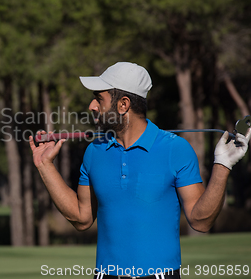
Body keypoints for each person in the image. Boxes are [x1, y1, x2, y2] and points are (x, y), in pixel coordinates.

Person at [29, 62, 251, 279]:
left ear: (123, 104)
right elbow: (81, 218)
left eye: (99, 98)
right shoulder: (94, 152)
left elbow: (201, 221)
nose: (92, 106)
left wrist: (223, 165)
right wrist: (45, 165)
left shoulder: (176, 149)